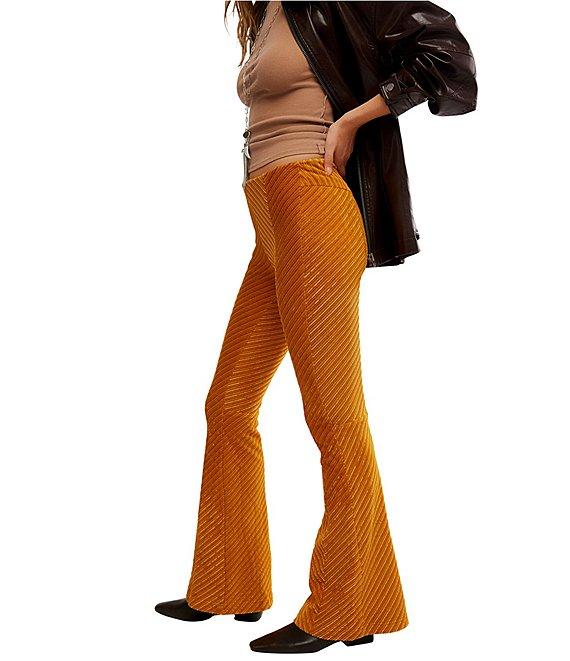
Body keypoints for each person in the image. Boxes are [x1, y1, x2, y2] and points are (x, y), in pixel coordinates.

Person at [155, 1, 477, 654]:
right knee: (228, 404)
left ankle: (346, 607)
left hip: (312, 202)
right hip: (270, 221)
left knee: (332, 413)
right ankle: (228, 584)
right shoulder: (264, 13)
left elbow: (448, 58)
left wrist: (354, 119)